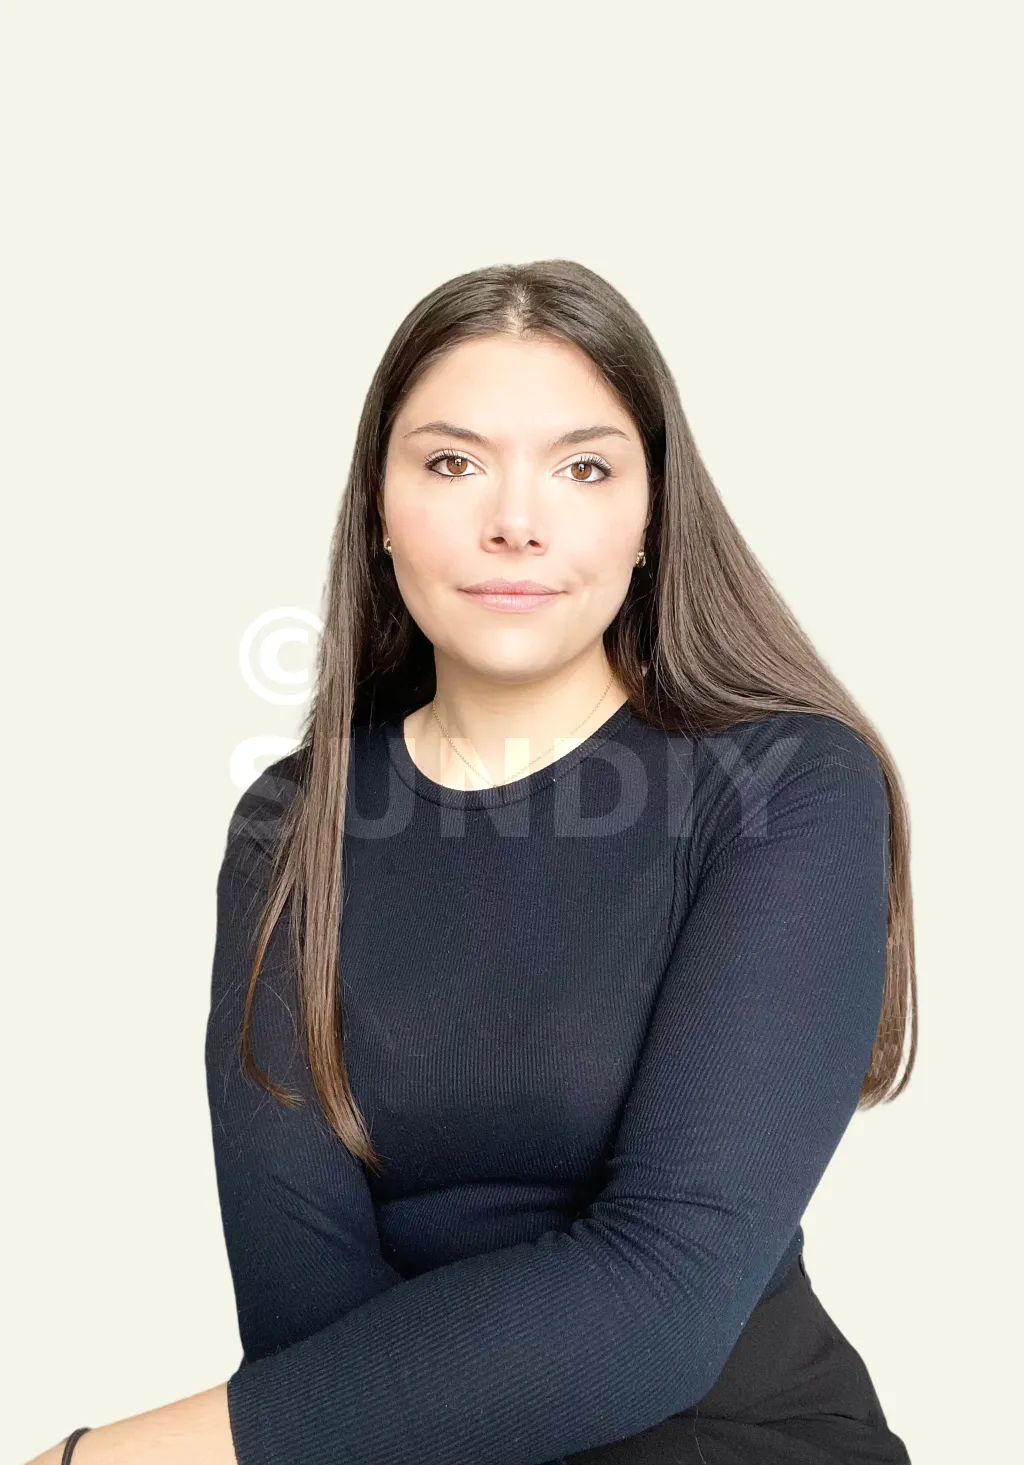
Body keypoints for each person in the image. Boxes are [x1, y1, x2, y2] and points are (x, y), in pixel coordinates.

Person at [30, 260, 916, 1465]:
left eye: (583, 468)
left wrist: (99, 1459)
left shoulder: (786, 783)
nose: (516, 520)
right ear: (379, 508)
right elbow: (304, 1314)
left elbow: (666, 1295)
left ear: (652, 516)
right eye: (452, 463)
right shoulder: (293, 822)